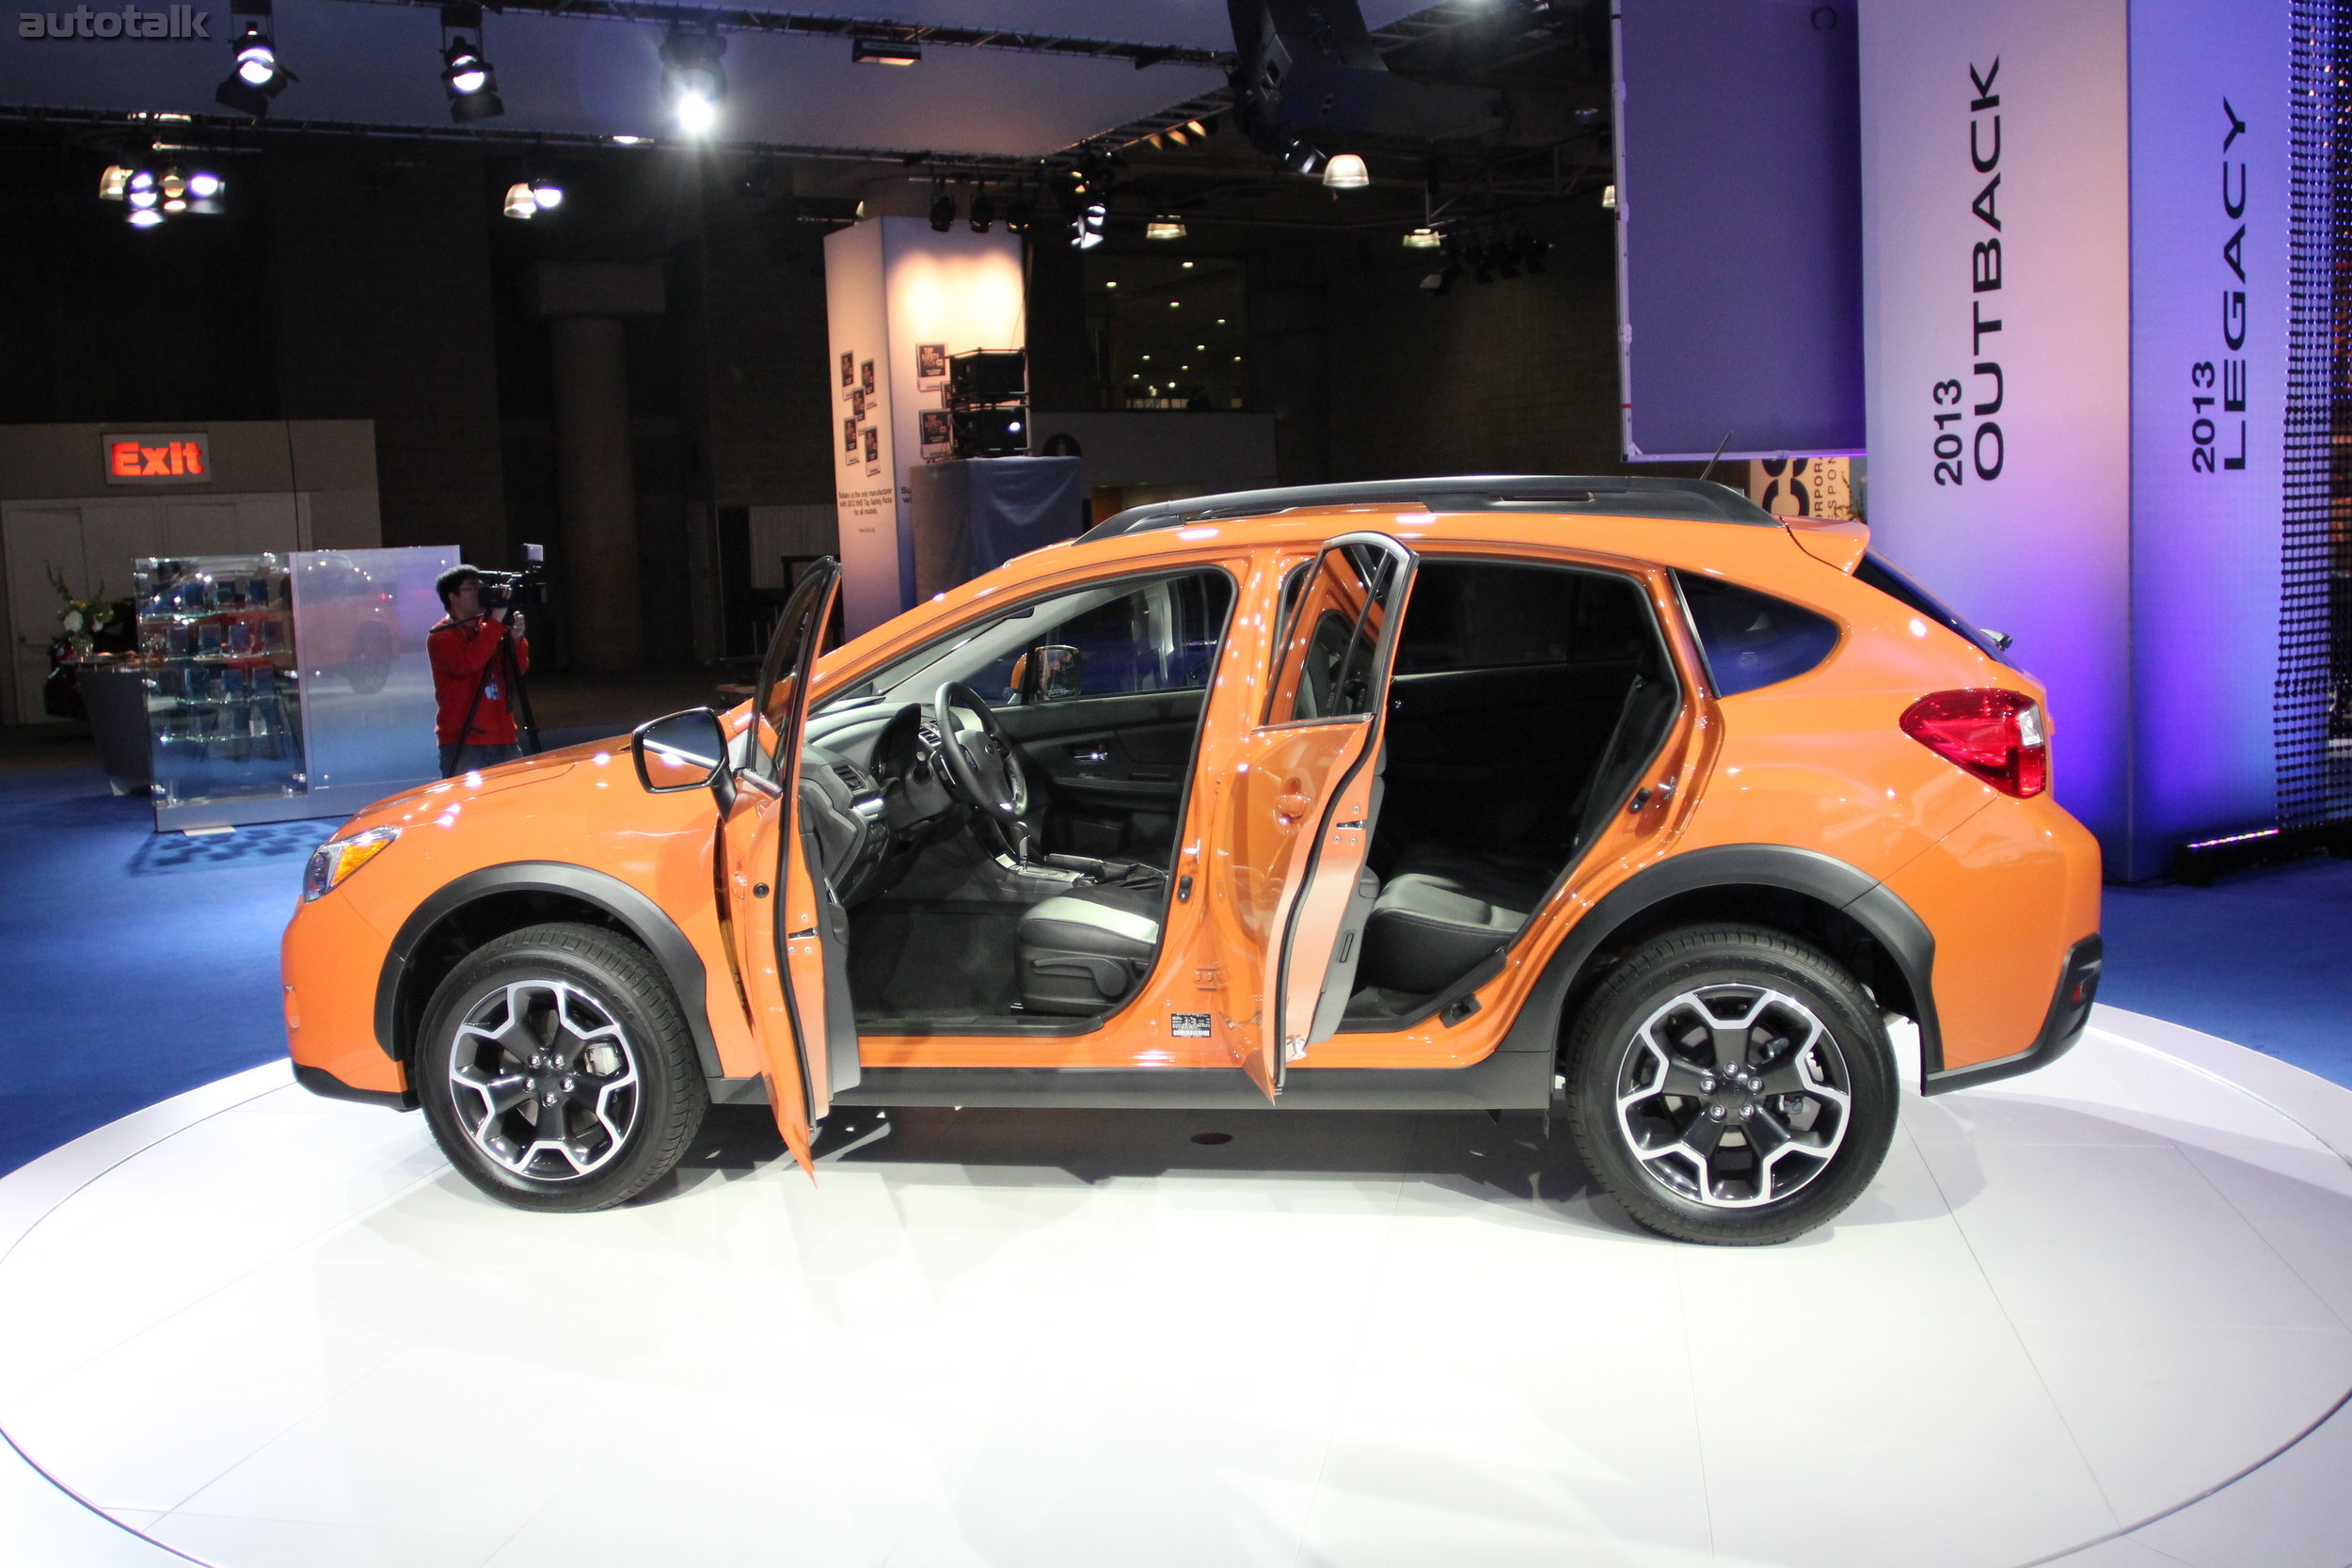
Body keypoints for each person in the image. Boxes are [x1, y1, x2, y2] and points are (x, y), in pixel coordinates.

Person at [428, 565, 531, 777]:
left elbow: (516, 671)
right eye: (471, 588)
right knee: (466, 806)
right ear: (453, 597)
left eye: (481, 586)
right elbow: (468, 663)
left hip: (503, 736)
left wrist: (516, 639)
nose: (480, 592)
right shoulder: (440, 636)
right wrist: (494, 623)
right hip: (464, 741)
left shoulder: (489, 629)